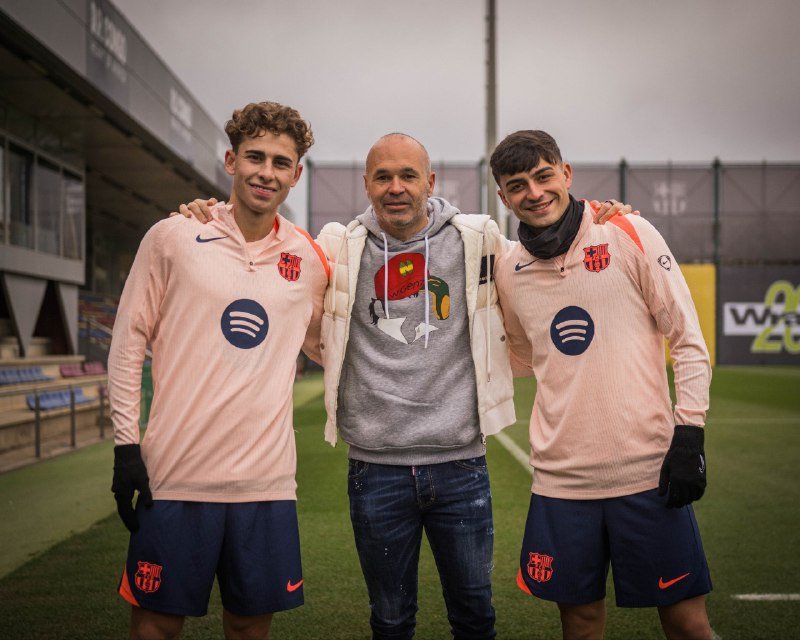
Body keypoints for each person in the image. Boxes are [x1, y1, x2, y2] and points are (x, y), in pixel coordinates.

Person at [178, 132, 631, 640]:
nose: (396, 187)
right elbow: (274, 275)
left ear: (430, 182)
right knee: (391, 619)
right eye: (383, 177)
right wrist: (214, 216)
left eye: (408, 175)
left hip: (461, 464)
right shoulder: (336, 247)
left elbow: (546, 249)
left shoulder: (478, 239)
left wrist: (595, 219)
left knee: (475, 615)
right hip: (374, 469)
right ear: (367, 185)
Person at [108, 101, 327, 640]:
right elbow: (128, 342)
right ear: (231, 161)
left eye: (280, 162)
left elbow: (331, 346)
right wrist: (125, 446)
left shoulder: (309, 259)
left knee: (250, 627)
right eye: (255, 157)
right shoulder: (173, 236)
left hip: (267, 484)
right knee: (156, 626)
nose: (266, 173)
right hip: (175, 476)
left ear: (296, 174)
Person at [491, 130, 713, 640]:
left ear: (566, 174)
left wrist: (690, 434)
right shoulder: (508, 269)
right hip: (561, 482)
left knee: (687, 623)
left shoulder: (628, 231)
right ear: (503, 197)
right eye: (518, 185)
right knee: (582, 625)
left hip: (648, 473)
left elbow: (687, 339)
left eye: (544, 176)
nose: (535, 193)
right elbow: (525, 359)